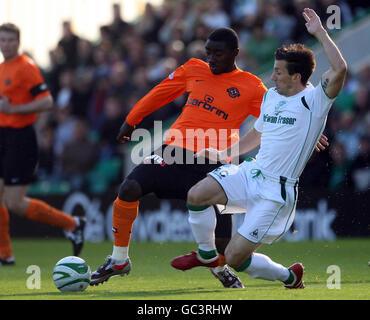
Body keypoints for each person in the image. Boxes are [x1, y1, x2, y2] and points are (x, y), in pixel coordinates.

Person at [90, 27, 328, 288]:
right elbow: (161, 92)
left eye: (218, 53)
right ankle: (119, 259)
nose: (211, 58)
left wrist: (308, 131)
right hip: (174, 151)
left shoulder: (250, 86)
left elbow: (282, 113)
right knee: (129, 188)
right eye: (209, 53)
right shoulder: (194, 68)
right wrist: (131, 120)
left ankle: (221, 266)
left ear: (235, 54)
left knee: (226, 249)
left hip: (215, 162)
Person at [171, 8, 346, 289]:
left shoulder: (314, 101)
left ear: (297, 76)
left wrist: (320, 33)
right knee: (196, 195)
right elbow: (258, 133)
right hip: (252, 173)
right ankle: (206, 255)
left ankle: (290, 276)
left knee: (236, 257)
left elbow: (340, 69)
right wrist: (228, 152)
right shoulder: (273, 96)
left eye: (278, 72)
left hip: (276, 192)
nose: (272, 77)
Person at [0, 23, 86, 266]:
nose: (6, 44)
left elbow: (47, 101)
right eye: (2, 40)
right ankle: (5, 254)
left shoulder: (26, 67)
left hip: (21, 138)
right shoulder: (2, 68)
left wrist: (14, 109)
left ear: (17, 41)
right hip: (3, 136)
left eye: (10, 40)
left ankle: (72, 223)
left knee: (15, 202)